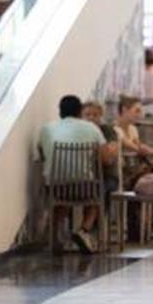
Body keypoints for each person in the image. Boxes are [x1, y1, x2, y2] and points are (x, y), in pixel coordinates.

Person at [38, 95, 106, 253]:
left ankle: (54, 238)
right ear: (79, 111)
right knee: (97, 194)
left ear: (60, 111)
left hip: (55, 187)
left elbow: (41, 153)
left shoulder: (47, 128)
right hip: (83, 188)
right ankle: (84, 230)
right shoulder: (91, 128)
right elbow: (104, 159)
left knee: (61, 200)